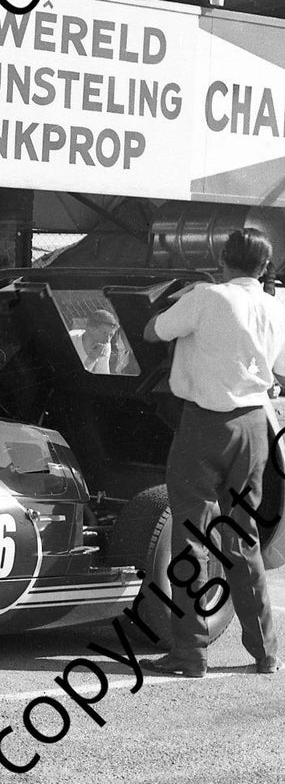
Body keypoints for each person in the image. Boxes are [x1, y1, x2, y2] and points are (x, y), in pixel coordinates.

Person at [142, 228, 285, 678]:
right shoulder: (275, 307)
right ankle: (265, 651)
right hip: (255, 426)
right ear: (265, 269)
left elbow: (151, 332)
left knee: (191, 538)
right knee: (243, 539)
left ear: (223, 259)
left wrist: (185, 300)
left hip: (204, 424)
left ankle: (191, 652)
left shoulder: (206, 296)